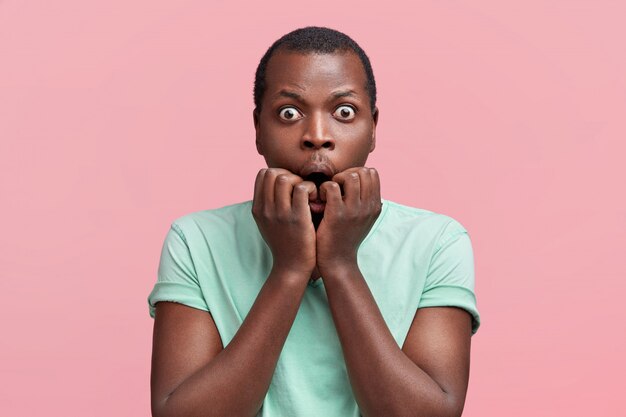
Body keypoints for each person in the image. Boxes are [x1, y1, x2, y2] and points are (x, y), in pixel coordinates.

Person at [147, 26, 480, 417]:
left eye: (344, 112)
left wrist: (340, 264)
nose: (317, 136)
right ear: (258, 129)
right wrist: (289, 270)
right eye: (289, 113)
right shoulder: (195, 240)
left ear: (373, 128)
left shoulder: (437, 241)